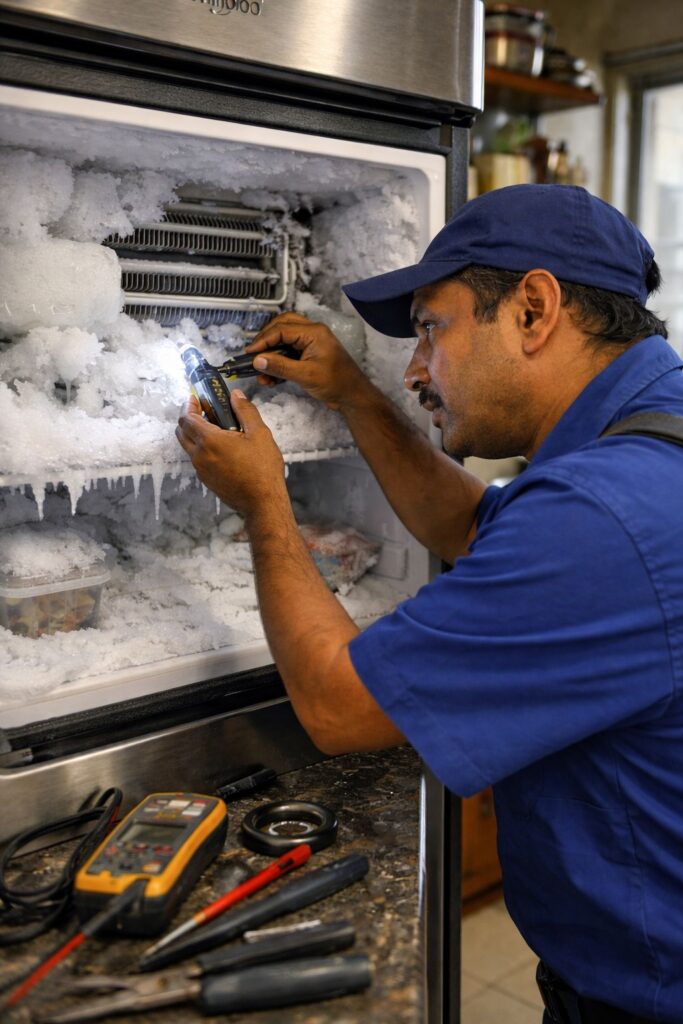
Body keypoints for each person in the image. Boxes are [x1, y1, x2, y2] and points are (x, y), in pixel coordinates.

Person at [176, 184, 683, 1024]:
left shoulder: (604, 515)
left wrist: (265, 501)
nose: (414, 368)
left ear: (532, 308)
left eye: (429, 328)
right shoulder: (646, 446)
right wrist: (352, 395)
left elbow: (338, 707)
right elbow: (485, 533)